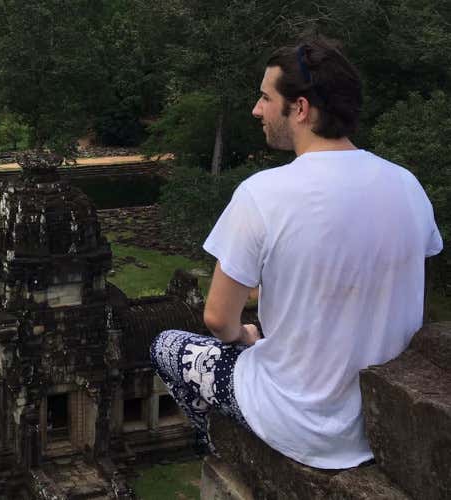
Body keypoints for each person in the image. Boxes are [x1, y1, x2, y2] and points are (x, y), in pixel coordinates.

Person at [150, 36, 442, 469]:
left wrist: (245, 336)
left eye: (266, 98)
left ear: (300, 109)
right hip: (373, 421)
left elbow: (217, 318)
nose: (256, 110)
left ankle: (214, 445)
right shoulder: (407, 185)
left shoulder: (262, 194)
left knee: (166, 345)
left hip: (295, 418)